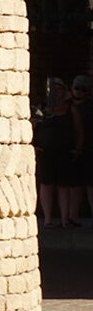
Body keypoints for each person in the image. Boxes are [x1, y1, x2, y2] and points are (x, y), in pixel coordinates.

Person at [35, 77, 79, 228]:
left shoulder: (70, 109)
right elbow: (34, 126)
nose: (55, 91)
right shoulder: (42, 109)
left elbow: (78, 130)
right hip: (46, 152)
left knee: (63, 186)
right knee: (46, 184)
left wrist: (78, 148)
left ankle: (65, 219)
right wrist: (34, 145)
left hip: (65, 152)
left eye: (58, 88)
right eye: (52, 88)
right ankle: (48, 219)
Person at [72, 75, 93, 227]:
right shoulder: (65, 106)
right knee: (74, 185)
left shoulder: (90, 107)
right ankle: (72, 217)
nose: (79, 91)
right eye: (76, 88)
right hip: (70, 149)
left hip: (89, 149)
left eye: (83, 89)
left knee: (90, 185)